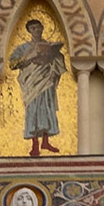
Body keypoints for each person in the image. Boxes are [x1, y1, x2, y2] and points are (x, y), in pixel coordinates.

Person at [8, 18, 68, 157]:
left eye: (38, 27)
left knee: (47, 107)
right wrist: (32, 55)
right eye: (33, 28)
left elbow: (59, 61)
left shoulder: (48, 44)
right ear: (29, 31)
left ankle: (45, 142)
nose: (36, 30)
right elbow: (13, 63)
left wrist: (54, 53)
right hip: (31, 82)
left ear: (42, 28)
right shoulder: (23, 48)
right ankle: (35, 145)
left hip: (47, 80)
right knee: (33, 109)